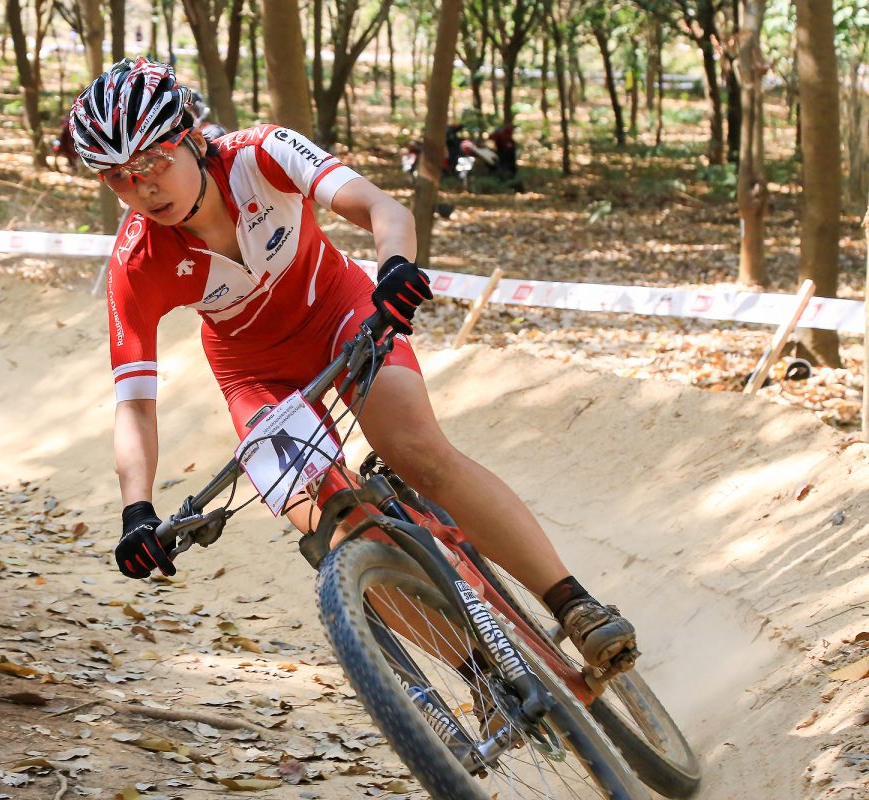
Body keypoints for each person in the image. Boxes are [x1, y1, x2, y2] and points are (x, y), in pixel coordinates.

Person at [71, 58, 638, 674]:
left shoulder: (261, 154)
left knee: (416, 450)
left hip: (340, 312)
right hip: (253, 373)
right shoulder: (137, 262)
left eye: (154, 161)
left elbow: (383, 209)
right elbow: (135, 403)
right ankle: (485, 680)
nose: (143, 187)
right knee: (332, 532)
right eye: (119, 177)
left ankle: (574, 604)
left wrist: (395, 267)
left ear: (193, 138)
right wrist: (136, 511)